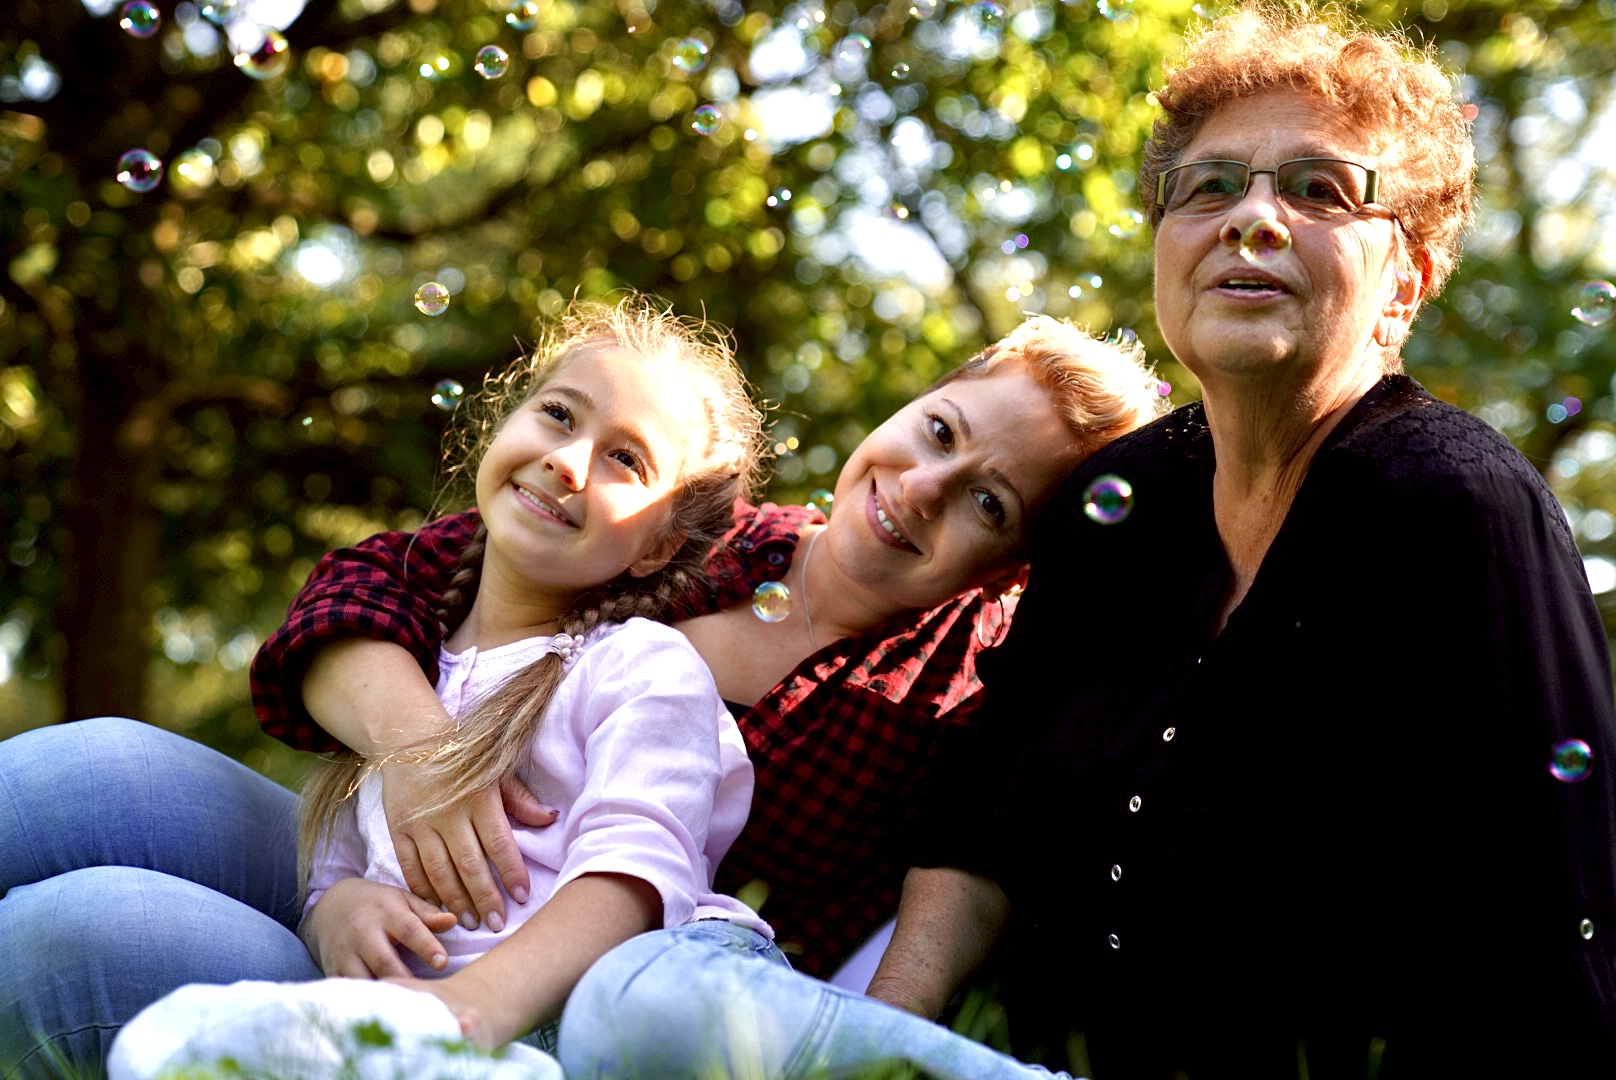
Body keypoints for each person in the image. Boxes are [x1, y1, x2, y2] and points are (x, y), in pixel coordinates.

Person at [552, 4, 1616, 1078]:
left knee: (638, 1005)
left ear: (1407, 281)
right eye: (1208, 185)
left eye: (1317, 188)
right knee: (644, 1003)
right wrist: (875, 1052)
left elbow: (1554, 935)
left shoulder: (1453, 509)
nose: (1250, 219)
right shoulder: (1126, 499)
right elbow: (980, 824)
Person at [0, 313, 1164, 1076]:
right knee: (93, 767)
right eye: (936, 431)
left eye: (987, 502)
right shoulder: (699, 525)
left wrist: (877, 1043)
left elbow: (960, 858)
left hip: (564, 998)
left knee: (72, 936)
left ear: (1014, 563)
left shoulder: (958, 695)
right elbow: (377, 582)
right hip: (399, 899)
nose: (918, 486)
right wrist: (416, 760)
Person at [106, 296, 771, 1069]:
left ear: (659, 547)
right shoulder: (405, 664)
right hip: (405, 1021)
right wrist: (337, 915)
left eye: (626, 459)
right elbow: (340, 865)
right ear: (500, 425)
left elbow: (636, 881)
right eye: (559, 414)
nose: (568, 460)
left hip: (564, 1025)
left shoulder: (639, 667)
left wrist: (466, 1009)